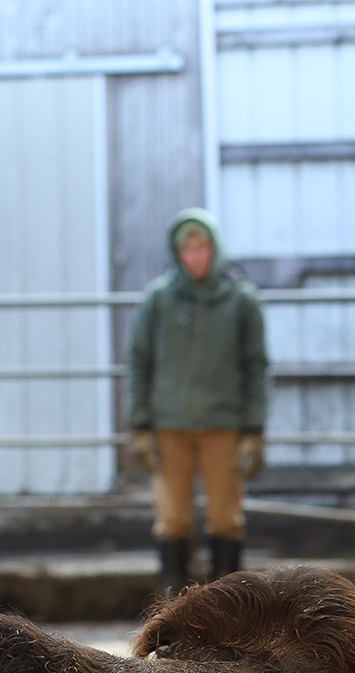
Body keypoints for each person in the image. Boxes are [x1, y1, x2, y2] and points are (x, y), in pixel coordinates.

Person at [127, 208, 270, 595]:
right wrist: (140, 424)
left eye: (202, 247)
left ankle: (227, 608)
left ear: (214, 249)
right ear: (177, 253)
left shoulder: (241, 301)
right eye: (187, 249)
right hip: (168, 424)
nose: (195, 256)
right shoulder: (158, 299)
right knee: (173, 519)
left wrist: (254, 429)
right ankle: (174, 604)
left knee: (225, 518)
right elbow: (139, 361)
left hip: (224, 425)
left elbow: (257, 367)